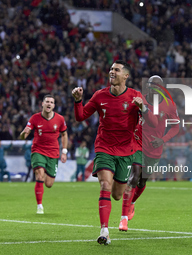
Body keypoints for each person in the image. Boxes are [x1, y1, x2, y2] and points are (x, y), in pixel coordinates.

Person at [72, 60, 157, 245]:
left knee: (117, 194)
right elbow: (80, 116)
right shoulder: (99, 95)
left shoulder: (135, 96)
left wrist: (143, 107)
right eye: (111, 69)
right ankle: (104, 231)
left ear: (125, 75)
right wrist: (78, 101)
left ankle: (123, 210)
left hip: (126, 151)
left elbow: (152, 123)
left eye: (116, 70)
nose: (112, 72)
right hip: (104, 148)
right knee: (105, 185)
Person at [119, 75, 180, 231]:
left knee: (142, 181)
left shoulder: (169, 106)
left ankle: (132, 203)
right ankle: (123, 218)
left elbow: (175, 127)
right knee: (134, 176)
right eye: (151, 84)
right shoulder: (140, 99)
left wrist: (163, 139)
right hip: (137, 144)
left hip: (154, 149)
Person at [20, 94, 68, 214]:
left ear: (54, 105)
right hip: (38, 150)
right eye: (47, 102)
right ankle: (39, 206)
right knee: (39, 175)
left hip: (53, 152)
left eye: (51, 102)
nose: (49, 104)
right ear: (42, 103)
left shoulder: (60, 119)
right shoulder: (34, 118)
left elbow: (64, 134)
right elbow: (24, 136)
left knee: (49, 184)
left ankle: (46, 171)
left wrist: (64, 151)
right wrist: (23, 133)